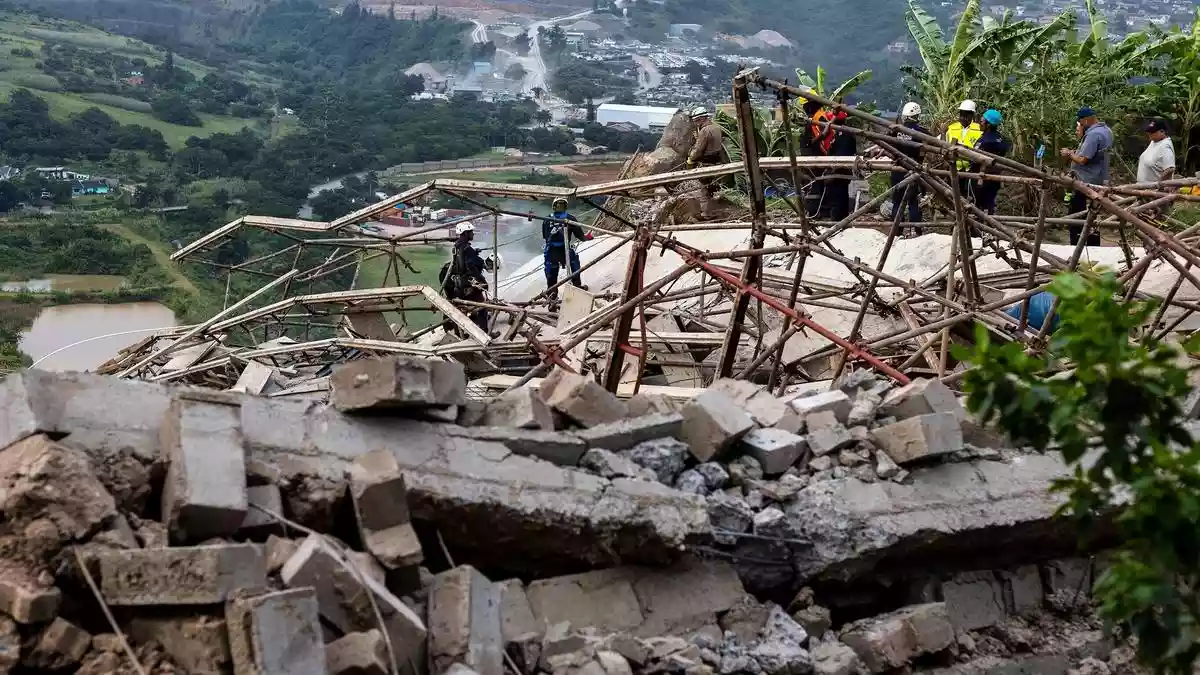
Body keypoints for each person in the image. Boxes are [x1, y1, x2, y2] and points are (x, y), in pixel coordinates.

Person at [1060, 106, 1111, 246]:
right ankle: (1093, 247)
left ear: (1087, 119)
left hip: (1085, 183)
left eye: (1081, 122)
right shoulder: (1106, 130)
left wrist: (1069, 153)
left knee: (1078, 217)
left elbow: (1083, 159)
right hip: (1098, 180)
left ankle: (1077, 246)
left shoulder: (1093, 135)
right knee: (1092, 216)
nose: (1080, 124)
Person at [442, 222, 490, 333]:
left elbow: (464, 260)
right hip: (467, 283)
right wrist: (483, 282)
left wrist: (474, 252)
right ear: (465, 233)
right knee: (481, 305)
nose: (473, 234)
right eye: (471, 232)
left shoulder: (457, 246)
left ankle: (456, 330)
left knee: (458, 307)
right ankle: (484, 333)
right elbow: (472, 266)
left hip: (459, 283)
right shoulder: (467, 249)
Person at [543, 197, 593, 300]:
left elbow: (545, 235)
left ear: (553, 207)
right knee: (574, 264)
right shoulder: (571, 218)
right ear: (566, 207)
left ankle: (552, 296)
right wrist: (587, 237)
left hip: (552, 251)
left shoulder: (546, 219)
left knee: (551, 272)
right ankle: (577, 287)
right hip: (565, 250)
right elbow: (580, 236)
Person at [892, 101, 928, 235]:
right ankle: (917, 231)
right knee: (914, 202)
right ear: (917, 116)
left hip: (897, 170)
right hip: (914, 170)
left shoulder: (896, 131)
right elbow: (924, 151)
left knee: (897, 202)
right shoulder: (920, 132)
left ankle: (896, 232)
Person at [686, 106, 728, 219]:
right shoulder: (716, 127)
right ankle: (715, 211)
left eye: (696, 121)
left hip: (706, 164)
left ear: (701, 119)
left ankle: (706, 214)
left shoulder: (704, 131)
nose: (695, 124)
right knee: (712, 189)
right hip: (717, 163)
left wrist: (691, 159)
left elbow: (698, 150)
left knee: (704, 191)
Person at [972, 109, 1011, 216]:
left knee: (978, 205)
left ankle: (979, 225)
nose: (980, 124)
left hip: (981, 178)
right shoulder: (1002, 139)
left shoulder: (984, 141)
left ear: (988, 125)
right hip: (996, 177)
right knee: (989, 204)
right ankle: (989, 223)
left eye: (982, 122)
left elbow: (974, 159)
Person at [944, 100, 982, 199]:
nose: (963, 117)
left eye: (966, 115)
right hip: (954, 168)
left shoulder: (979, 129)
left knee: (969, 197)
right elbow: (945, 145)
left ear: (972, 115)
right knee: (954, 196)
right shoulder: (952, 128)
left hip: (971, 169)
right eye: (961, 114)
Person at [825, 109, 857, 220]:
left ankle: (837, 219)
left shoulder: (843, 136)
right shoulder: (845, 133)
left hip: (839, 170)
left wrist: (833, 169)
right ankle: (842, 218)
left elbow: (841, 154)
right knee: (842, 194)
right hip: (842, 169)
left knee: (837, 196)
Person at [1137, 119, 1175, 184]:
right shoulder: (1154, 141)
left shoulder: (1165, 146)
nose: (1149, 134)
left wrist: (1158, 184)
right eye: (1149, 131)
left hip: (1153, 188)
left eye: (1152, 132)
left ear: (1162, 131)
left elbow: (1170, 169)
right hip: (1142, 186)